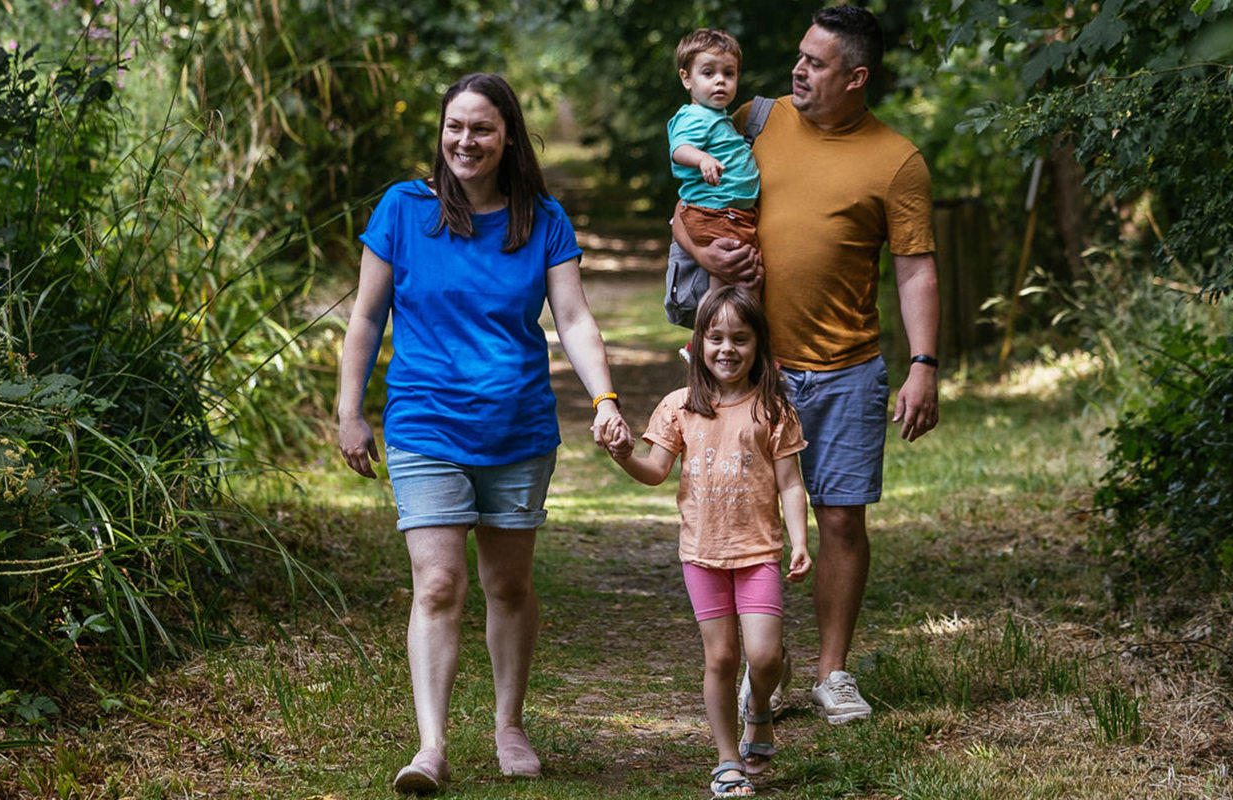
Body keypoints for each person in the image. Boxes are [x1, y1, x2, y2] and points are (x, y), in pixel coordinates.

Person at [337, 72, 632, 793]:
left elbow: (574, 319)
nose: (466, 141)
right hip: (425, 421)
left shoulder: (542, 219)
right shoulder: (404, 211)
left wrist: (605, 396)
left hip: (517, 427)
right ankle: (431, 747)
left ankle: (508, 723)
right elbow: (367, 317)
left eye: (482, 129)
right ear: (441, 134)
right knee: (438, 583)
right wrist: (350, 408)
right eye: (455, 127)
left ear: (507, 139)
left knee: (508, 583)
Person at [672, 5, 941, 725]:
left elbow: (916, 269)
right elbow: (685, 202)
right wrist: (702, 254)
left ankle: (832, 673)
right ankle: (767, 671)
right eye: (800, 56)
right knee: (754, 525)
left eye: (817, 63)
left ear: (855, 77)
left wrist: (924, 364)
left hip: (849, 368)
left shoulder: (897, 160)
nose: (798, 70)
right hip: (758, 370)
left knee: (842, 522)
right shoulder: (756, 117)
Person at [606, 286, 811, 798]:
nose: (727, 348)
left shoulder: (773, 410)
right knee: (720, 658)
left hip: (759, 551)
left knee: (763, 657)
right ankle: (727, 760)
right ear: (697, 344)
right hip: (702, 553)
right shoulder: (680, 408)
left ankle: (758, 706)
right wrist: (623, 455)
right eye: (715, 337)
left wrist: (801, 541)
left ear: (759, 346)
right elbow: (654, 471)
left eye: (740, 338)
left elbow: (790, 483)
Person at [667, 28, 761, 298]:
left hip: (731, 213)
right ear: (687, 79)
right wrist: (702, 159)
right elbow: (679, 149)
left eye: (728, 74)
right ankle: (714, 331)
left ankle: (722, 329)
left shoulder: (718, 117)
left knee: (746, 279)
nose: (720, 81)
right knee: (730, 282)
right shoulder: (694, 116)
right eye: (708, 73)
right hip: (715, 213)